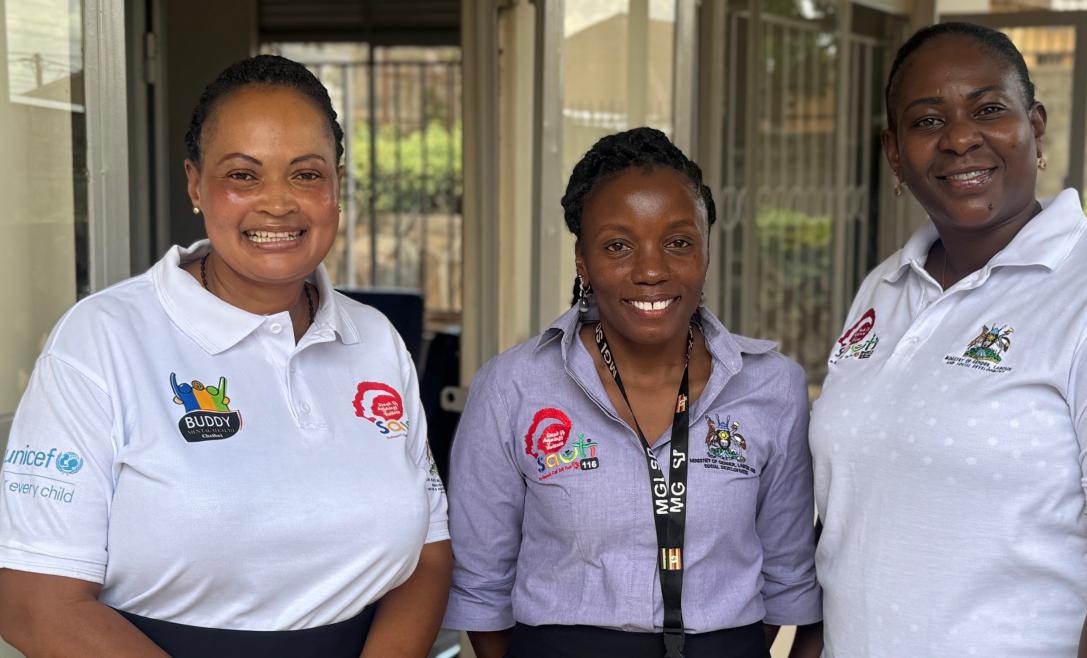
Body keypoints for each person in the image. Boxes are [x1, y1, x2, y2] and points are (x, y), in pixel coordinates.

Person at [0, 55, 451, 657]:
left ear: (337, 186)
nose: (278, 204)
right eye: (243, 175)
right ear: (195, 183)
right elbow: (34, 602)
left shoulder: (374, 340)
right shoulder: (103, 339)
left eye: (306, 174)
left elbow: (429, 551)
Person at [809, 22, 1087, 657]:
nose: (960, 139)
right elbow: (845, 532)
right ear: (894, 154)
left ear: (1035, 127)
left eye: (988, 110)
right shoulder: (885, 288)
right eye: (926, 121)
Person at [444, 127, 822, 658]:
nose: (650, 270)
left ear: (706, 252)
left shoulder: (771, 387)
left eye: (678, 242)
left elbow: (787, 579)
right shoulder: (514, 386)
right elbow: (481, 584)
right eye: (618, 246)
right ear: (583, 260)